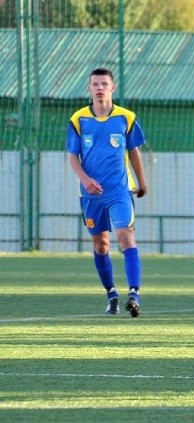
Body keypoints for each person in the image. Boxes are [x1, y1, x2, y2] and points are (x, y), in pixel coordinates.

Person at [66, 68, 148, 318]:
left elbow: (134, 151)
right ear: (89, 89)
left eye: (104, 84)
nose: (99, 88)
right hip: (90, 195)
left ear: (113, 88)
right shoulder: (78, 119)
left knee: (126, 238)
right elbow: (72, 156)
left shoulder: (126, 118)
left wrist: (142, 182)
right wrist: (85, 179)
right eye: (95, 84)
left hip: (119, 191)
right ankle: (111, 294)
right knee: (101, 244)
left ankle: (134, 294)